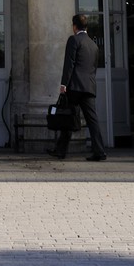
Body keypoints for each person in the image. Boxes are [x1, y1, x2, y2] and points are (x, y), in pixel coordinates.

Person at [51, 11, 107, 162]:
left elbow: (69, 64)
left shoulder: (74, 40)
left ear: (74, 26)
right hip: (89, 86)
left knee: (68, 117)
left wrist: (64, 84)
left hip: (75, 86)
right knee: (92, 120)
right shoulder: (93, 45)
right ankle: (99, 151)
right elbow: (94, 68)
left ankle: (61, 151)